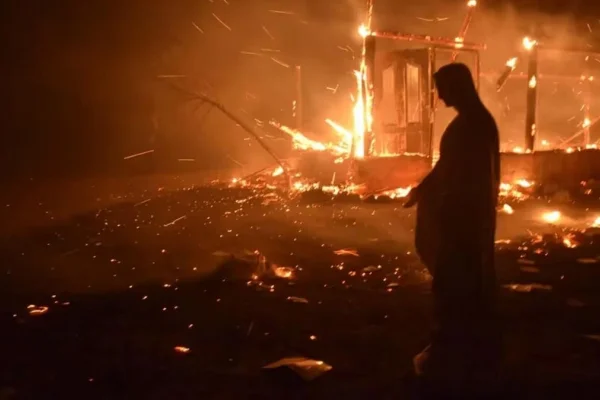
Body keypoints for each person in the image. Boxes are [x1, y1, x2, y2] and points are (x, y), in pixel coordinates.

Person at [403, 63, 501, 395]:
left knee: (457, 284)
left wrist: (441, 205)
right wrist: (424, 189)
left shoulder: (471, 126)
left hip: (463, 221)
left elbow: (460, 175)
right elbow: (447, 167)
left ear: (458, 87)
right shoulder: (474, 122)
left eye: (442, 87)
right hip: (466, 219)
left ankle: (456, 355)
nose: (439, 94)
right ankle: (466, 348)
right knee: (463, 284)